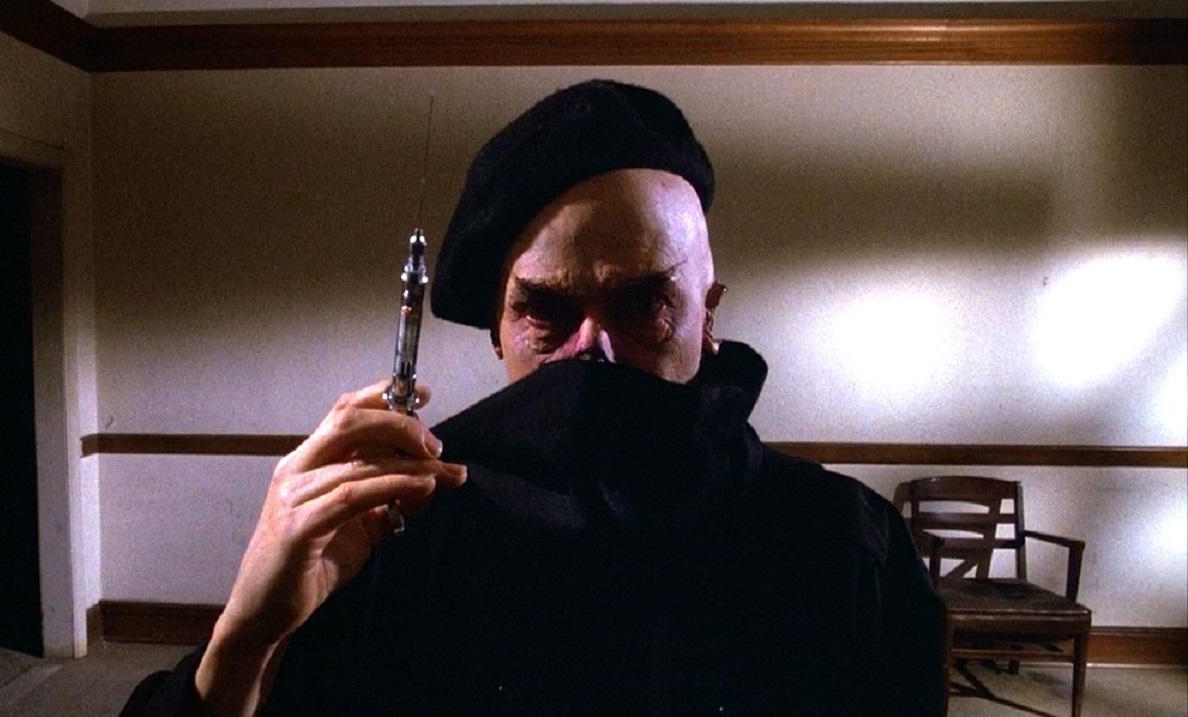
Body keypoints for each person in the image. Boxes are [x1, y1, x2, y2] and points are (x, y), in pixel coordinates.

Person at [122, 79, 945, 716]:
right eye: (547, 310)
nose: (594, 352)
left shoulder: (843, 546)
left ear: (708, 313)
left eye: (643, 303)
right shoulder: (394, 535)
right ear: (497, 329)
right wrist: (245, 638)